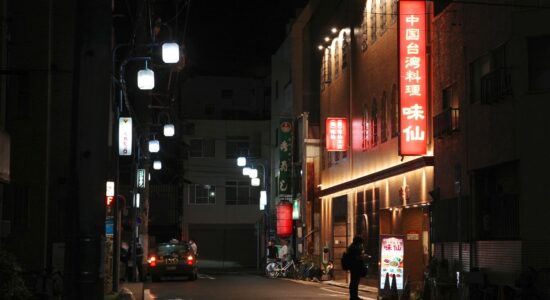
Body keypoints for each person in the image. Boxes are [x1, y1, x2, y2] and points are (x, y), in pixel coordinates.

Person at [347, 236, 366, 300]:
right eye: (361, 242)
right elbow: (357, 258)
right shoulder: (356, 248)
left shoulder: (351, 246)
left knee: (353, 282)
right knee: (355, 282)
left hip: (353, 267)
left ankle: (353, 296)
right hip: (356, 267)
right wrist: (363, 256)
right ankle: (354, 297)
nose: (362, 244)